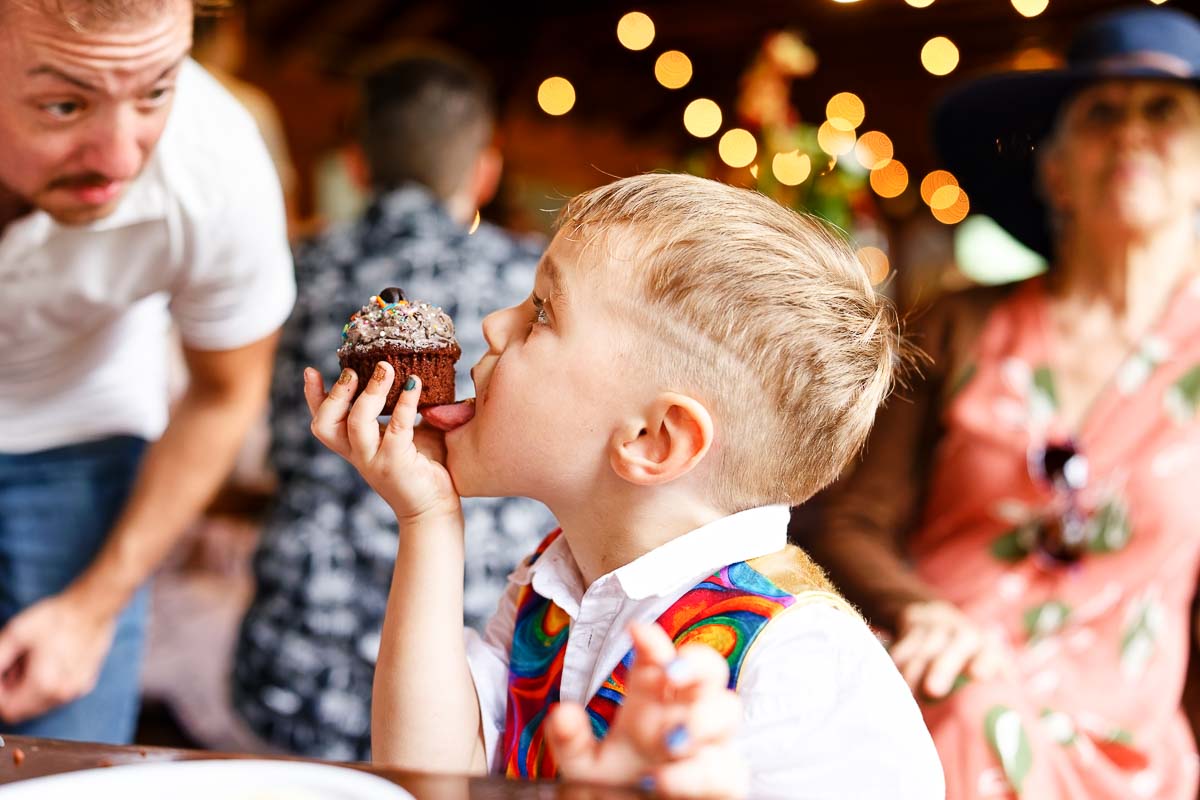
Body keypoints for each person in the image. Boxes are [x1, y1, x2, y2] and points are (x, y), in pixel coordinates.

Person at [306, 172, 946, 798]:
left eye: (542, 315)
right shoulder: (556, 581)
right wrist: (428, 520)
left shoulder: (805, 669)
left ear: (653, 440)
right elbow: (438, 778)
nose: (496, 324)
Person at [803, 7, 1200, 798]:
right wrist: (919, 610)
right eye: (1100, 114)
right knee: (964, 716)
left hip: (1129, 741)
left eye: (1164, 110)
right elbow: (845, 520)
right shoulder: (959, 320)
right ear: (1053, 170)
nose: (1130, 134)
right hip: (946, 685)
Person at [231, 50, 556, 761]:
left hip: (302, 639)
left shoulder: (291, 266)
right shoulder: (530, 284)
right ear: (486, 169)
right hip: (474, 645)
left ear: (355, 164)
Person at [0, 0, 294, 744]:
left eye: (155, 92)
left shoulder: (218, 164)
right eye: (64, 103)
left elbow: (226, 395)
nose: (122, 158)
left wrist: (93, 606)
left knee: (69, 756)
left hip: (82, 442)